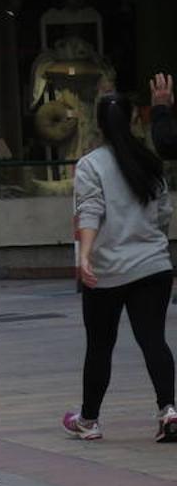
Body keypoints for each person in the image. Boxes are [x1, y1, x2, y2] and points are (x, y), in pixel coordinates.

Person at [64, 92, 177, 442]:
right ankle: (169, 410)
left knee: (99, 345)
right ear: (133, 120)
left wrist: (84, 256)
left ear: (97, 124)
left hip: (106, 271)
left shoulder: (90, 165)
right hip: (153, 266)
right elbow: (164, 215)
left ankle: (89, 421)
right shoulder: (149, 162)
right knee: (153, 339)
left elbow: (90, 210)